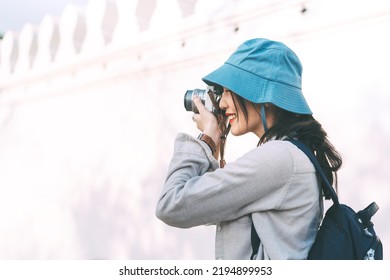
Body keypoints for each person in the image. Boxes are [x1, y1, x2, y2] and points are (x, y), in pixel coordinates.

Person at [155, 38, 342, 260]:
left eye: (228, 91)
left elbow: (172, 204)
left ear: (264, 96)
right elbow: (209, 203)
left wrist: (206, 139)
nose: (222, 104)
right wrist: (216, 142)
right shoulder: (292, 153)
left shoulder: (278, 158)